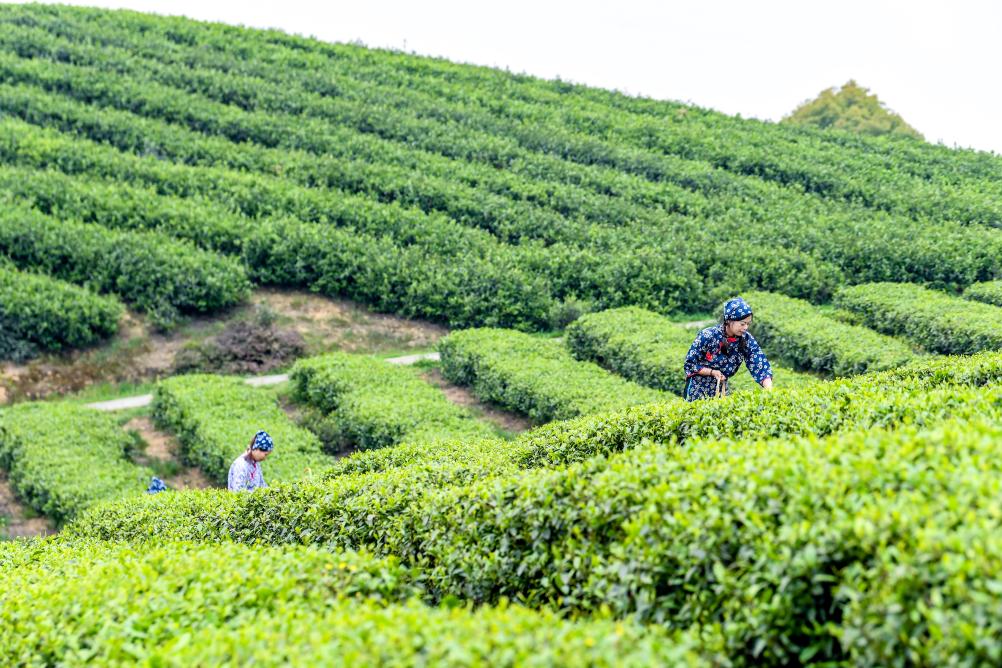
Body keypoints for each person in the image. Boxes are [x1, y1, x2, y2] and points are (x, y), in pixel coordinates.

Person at [683, 296, 774, 401]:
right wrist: (712, 372)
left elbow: (758, 362)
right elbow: (690, 364)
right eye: (742, 324)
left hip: (722, 388)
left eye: (748, 324)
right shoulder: (708, 335)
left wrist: (769, 389)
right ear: (729, 321)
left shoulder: (746, 339)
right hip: (697, 388)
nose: (745, 328)